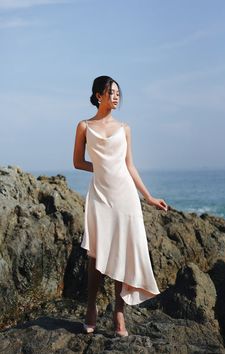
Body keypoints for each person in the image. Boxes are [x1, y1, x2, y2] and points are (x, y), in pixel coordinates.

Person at [73, 75, 168, 337]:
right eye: (110, 92)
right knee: (95, 254)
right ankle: (91, 308)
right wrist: (102, 168)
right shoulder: (83, 126)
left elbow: (130, 166)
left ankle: (119, 315)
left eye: (117, 92)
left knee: (121, 254)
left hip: (125, 196)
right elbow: (77, 162)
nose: (116, 96)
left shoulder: (125, 127)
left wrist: (148, 196)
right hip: (100, 196)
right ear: (97, 95)